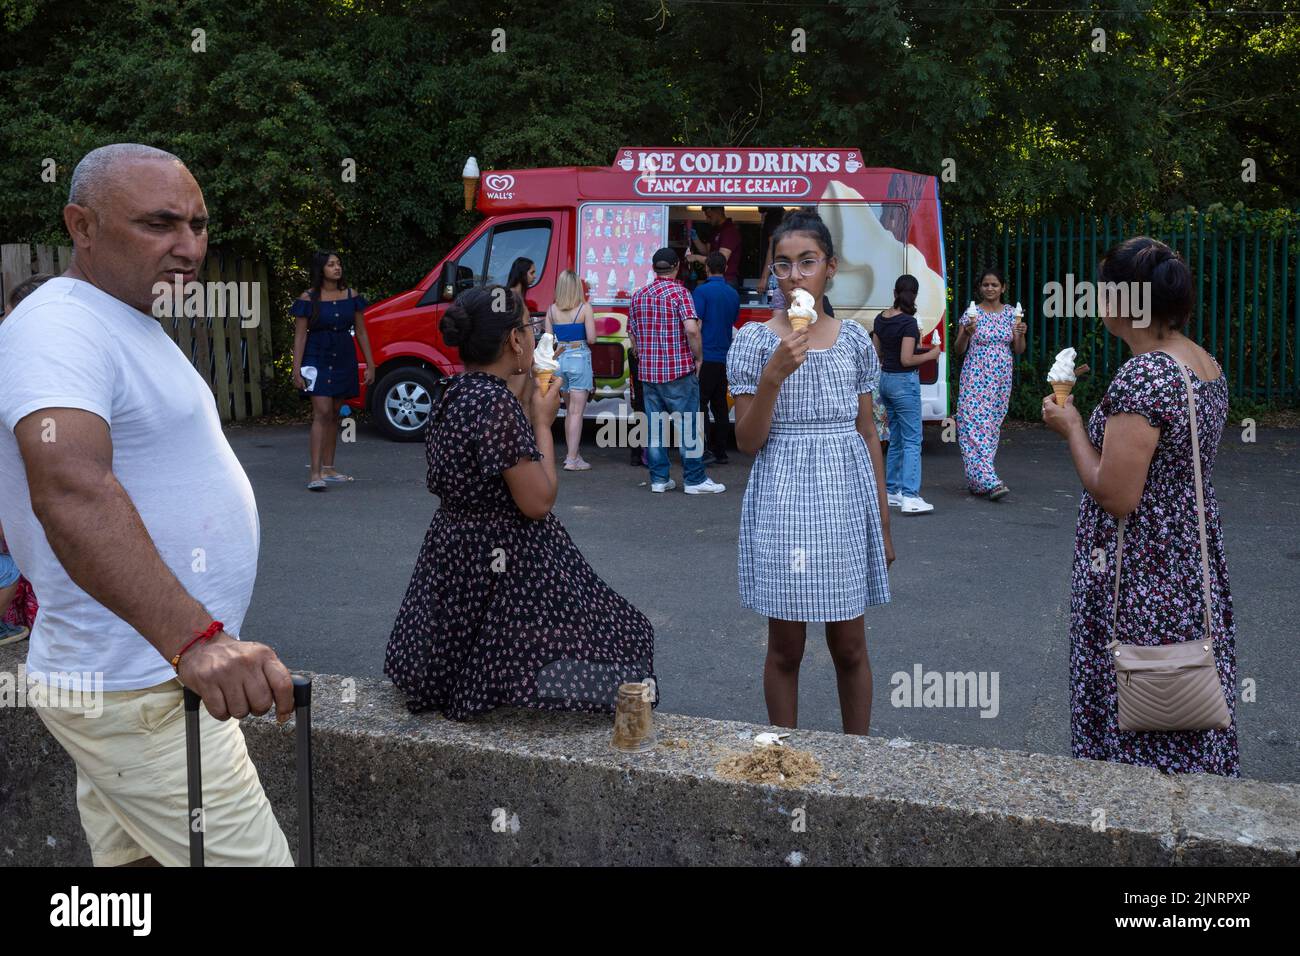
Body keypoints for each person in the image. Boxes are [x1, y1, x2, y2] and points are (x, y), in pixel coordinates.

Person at [0, 143, 294, 866]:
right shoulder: (59, 326)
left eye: (197, 224)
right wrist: (196, 639)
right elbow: (70, 488)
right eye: (160, 224)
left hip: (143, 677)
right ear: (83, 225)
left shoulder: (122, 319)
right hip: (142, 685)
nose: (188, 247)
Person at [385, 286, 657, 718]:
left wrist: (526, 399)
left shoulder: (452, 392)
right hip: (504, 555)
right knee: (623, 631)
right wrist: (543, 423)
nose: (533, 336)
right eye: (529, 329)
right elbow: (538, 502)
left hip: (452, 548)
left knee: (463, 646)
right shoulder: (495, 404)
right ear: (514, 340)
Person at [1043, 237, 1238, 777]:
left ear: (1125, 302)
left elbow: (1116, 493)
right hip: (1187, 561)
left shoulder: (1146, 375)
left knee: (1137, 699)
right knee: (1184, 693)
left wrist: (1073, 425)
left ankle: (1131, 826)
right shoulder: (1202, 362)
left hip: (1139, 572)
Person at [728, 211, 894, 736]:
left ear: (830, 269)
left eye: (807, 262)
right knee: (785, 647)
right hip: (782, 496)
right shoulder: (755, 343)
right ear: (771, 274)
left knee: (849, 645)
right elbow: (748, 441)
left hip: (845, 497)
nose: (795, 275)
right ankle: (784, 755)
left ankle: (856, 758)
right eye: (783, 265)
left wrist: (883, 522)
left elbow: (869, 433)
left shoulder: (854, 342)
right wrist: (774, 376)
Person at [627, 248, 726, 495]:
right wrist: (699, 357)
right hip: (678, 371)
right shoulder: (680, 293)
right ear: (677, 266)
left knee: (655, 428)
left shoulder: (639, 295)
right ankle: (694, 480)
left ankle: (659, 479)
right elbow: (692, 330)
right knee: (689, 427)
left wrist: (643, 353)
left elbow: (632, 334)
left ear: (653, 267)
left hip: (649, 373)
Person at [291, 250, 375, 491]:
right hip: (316, 356)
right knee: (322, 411)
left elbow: (361, 332)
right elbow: (299, 337)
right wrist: (296, 370)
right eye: (331, 264)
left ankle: (329, 468)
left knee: (335, 412)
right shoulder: (308, 298)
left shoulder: (351, 295)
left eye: (339, 264)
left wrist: (370, 364)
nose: (337, 268)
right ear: (321, 270)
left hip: (343, 356)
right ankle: (314, 473)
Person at [955, 267, 1026, 500]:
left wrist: (1021, 334)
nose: (990, 288)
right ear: (980, 288)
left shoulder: (1011, 314)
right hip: (975, 374)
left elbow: (1018, 349)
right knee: (974, 426)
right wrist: (966, 333)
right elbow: (958, 349)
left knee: (991, 427)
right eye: (986, 284)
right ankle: (990, 479)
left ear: (1003, 288)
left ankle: (977, 481)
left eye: (994, 284)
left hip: (1001, 378)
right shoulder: (971, 314)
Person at [872, 275, 941, 514]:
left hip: (886, 381)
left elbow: (877, 353)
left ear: (894, 291)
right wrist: (931, 355)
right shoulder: (909, 323)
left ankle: (892, 491)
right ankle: (911, 496)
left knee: (897, 438)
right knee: (913, 440)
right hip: (904, 382)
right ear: (915, 294)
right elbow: (907, 359)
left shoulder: (880, 319)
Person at [544, 270, 596, 470]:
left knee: (568, 411)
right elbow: (591, 338)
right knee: (576, 412)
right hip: (579, 357)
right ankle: (572, 459)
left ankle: (573, 455)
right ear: (576, 288)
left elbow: (548, 342)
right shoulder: (585, 308)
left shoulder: (551, 310)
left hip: (559, 361)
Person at [692, 251, 739, 465]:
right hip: (725, 355)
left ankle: (702, 450)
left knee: (700, 402)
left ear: (707, 268)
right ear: (726, 268)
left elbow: (696, 324)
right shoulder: (733, 294)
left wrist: (695, 354)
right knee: (720, 404)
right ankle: (721, 450)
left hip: (706, 354)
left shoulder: (701, 292)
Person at [687, 206, 743, 292]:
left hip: (727, 280)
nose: (707, 219)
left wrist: (696, 257)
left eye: (709, 216)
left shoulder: (729, 231)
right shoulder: (716, 230)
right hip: (714, 279)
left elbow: (720, 261)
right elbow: (705, 251)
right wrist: (695, 237)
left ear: (718, 212)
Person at [505, 256, 539, 398]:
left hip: (525, 357)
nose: (535, 276)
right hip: (517, 356)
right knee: (514, 396)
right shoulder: (508, 296)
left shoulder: (518, 296)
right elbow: (506, 326)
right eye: (531, 272)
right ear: (522, 273)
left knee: (526, 399)